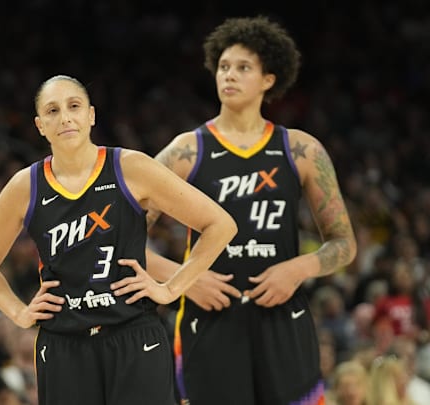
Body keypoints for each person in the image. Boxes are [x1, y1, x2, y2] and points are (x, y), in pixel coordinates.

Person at [0, 75, 237, 405]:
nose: (64, 117)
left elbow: (220, 224)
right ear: (40, 125)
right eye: (52, 110)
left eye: (74, 106)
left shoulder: (130, 167)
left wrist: (171, 288)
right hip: (63, 344)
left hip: (133, 335)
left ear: (91, 115)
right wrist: (19, 313)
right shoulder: (26, 185)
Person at [145, 16, 357, 404]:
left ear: (269, 79)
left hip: (282, 317)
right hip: (210, 319)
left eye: (244, 68)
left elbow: (344, 243)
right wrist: (182, 278)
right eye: (224, 66)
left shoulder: (301, 150)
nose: (230, 75)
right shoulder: (186, 151)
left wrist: (299, 268)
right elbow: (116, 236)